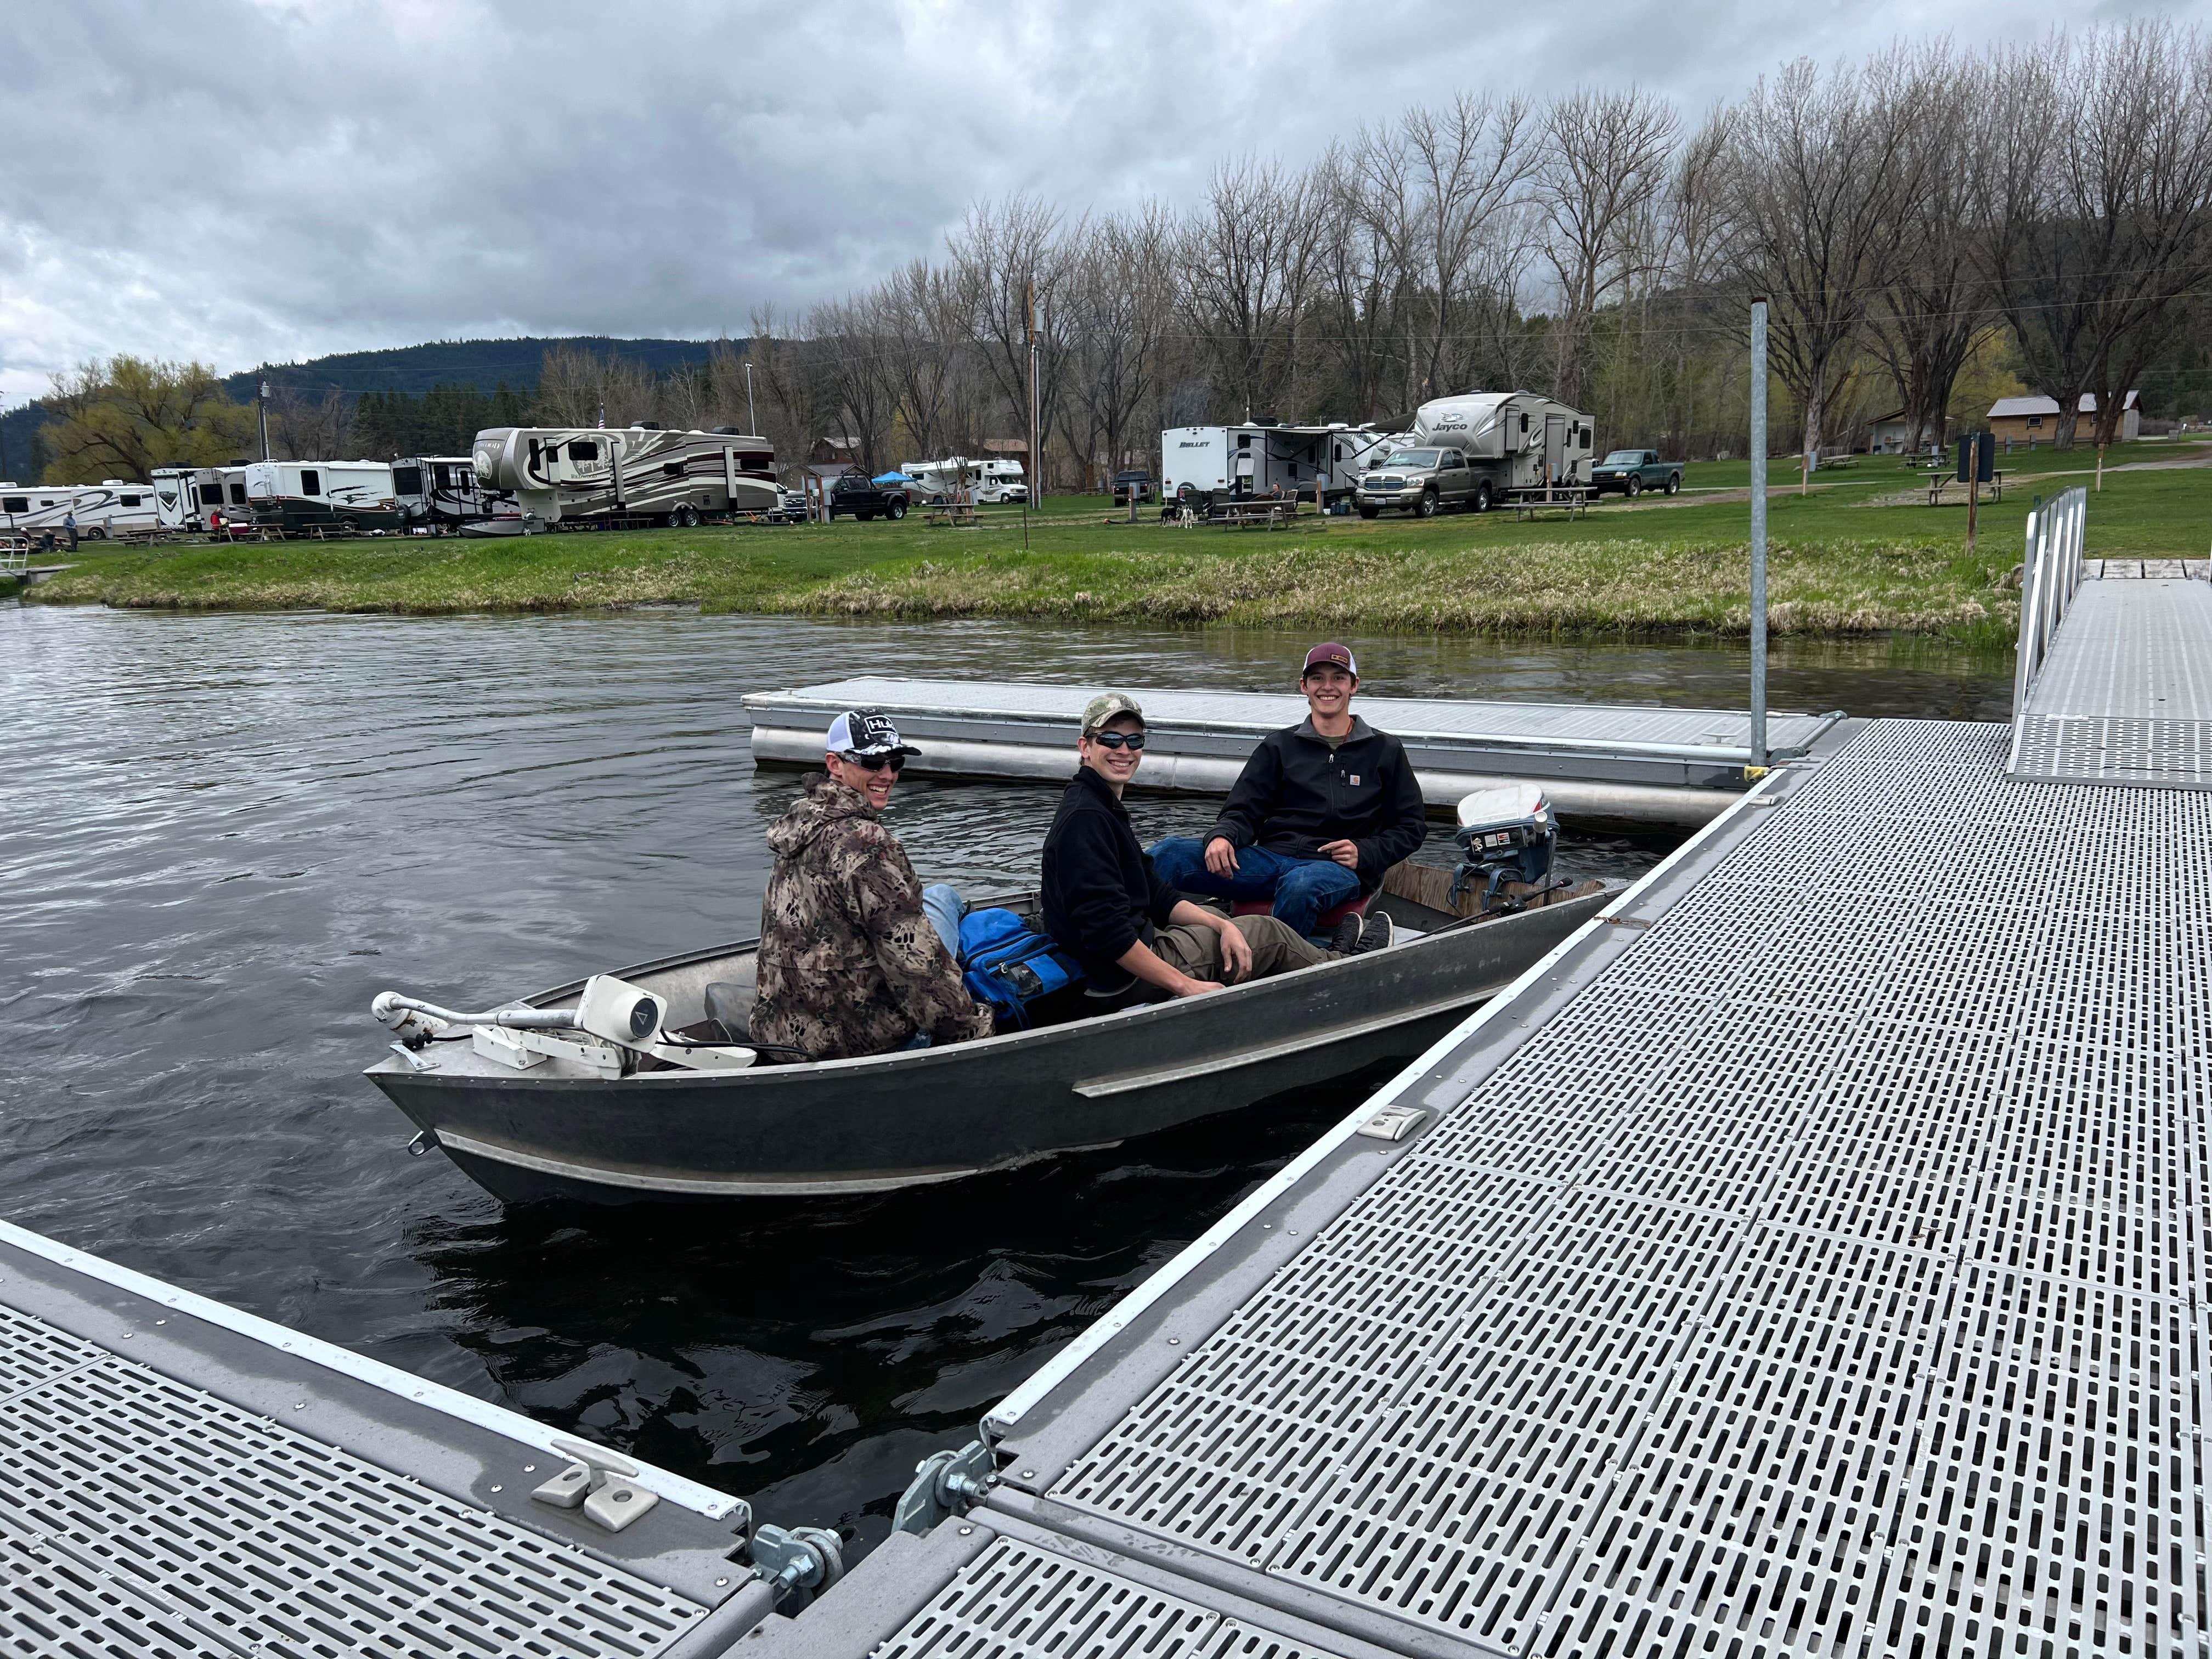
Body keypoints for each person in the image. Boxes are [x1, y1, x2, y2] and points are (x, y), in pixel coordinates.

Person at [1041, 692, 1351, 1007]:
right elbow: (1107, 934)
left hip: (1120, 955)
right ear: (1085, 747)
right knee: (1268, 932)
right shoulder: (1087, 819)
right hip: (1118, 979)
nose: (1124, 750)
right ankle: (1347, 963)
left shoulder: (1098, 804)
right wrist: (1186, 985)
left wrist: (1223, 925)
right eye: (1111, 739)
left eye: (1135, 742)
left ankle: (1308, 955)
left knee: (1217, 914)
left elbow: (1156, 894)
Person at [752, 708, 991, 1061]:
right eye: (873, 762)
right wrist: (975, 1031)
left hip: (779, 1031)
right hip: (854, 1040)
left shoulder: (799, 825)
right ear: (835, 764)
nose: (888, 775)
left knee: (940, 897)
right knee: (944, 909)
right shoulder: (867, 843)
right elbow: (914, 963)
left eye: (895, 763)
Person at [1149, 643, 1423, 946]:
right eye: (1317, 678)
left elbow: (1411, 827)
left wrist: (1366, 852)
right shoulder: (1278, 746)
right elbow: (1244, 810)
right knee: (1169, 852)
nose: (1327, 687)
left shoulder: (1386, 750)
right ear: (1304, 686)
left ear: (1354, 686)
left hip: (1335, 869)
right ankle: (1136, 946)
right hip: (1269, 860)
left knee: (1301, 885)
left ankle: (1270, 968)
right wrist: (1222, 836)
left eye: (1339, 678)